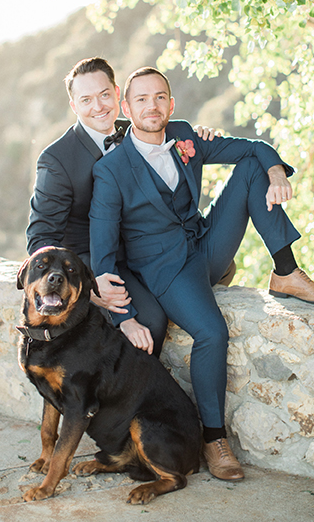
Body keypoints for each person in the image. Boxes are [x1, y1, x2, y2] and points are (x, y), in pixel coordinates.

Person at [89, 66, 314, 482]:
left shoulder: (186, 134)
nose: (151, 106)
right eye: (141, 99)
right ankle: (213, 438)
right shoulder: (112, 169)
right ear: (125, 106)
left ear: (170, 104)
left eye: (159, 98)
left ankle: (285, 271)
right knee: (212, 332)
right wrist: (123, 316)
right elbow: (102, 254)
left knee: (251, 169)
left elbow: (251, 147)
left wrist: (276, 171)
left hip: (204, 242)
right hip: (166, 269)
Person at [26, 56, 226, 357]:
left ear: (117, 94)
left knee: (221, 266)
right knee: (151, 322)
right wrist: (87, 285)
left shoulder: (135, 130)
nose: (99, 107)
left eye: (105, 95)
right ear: (74, 106)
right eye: (86, 100)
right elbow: (40, 239)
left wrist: (200, 136)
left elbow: (168, 139)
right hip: (97, 262)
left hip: (144, 250)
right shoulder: (56, 160)